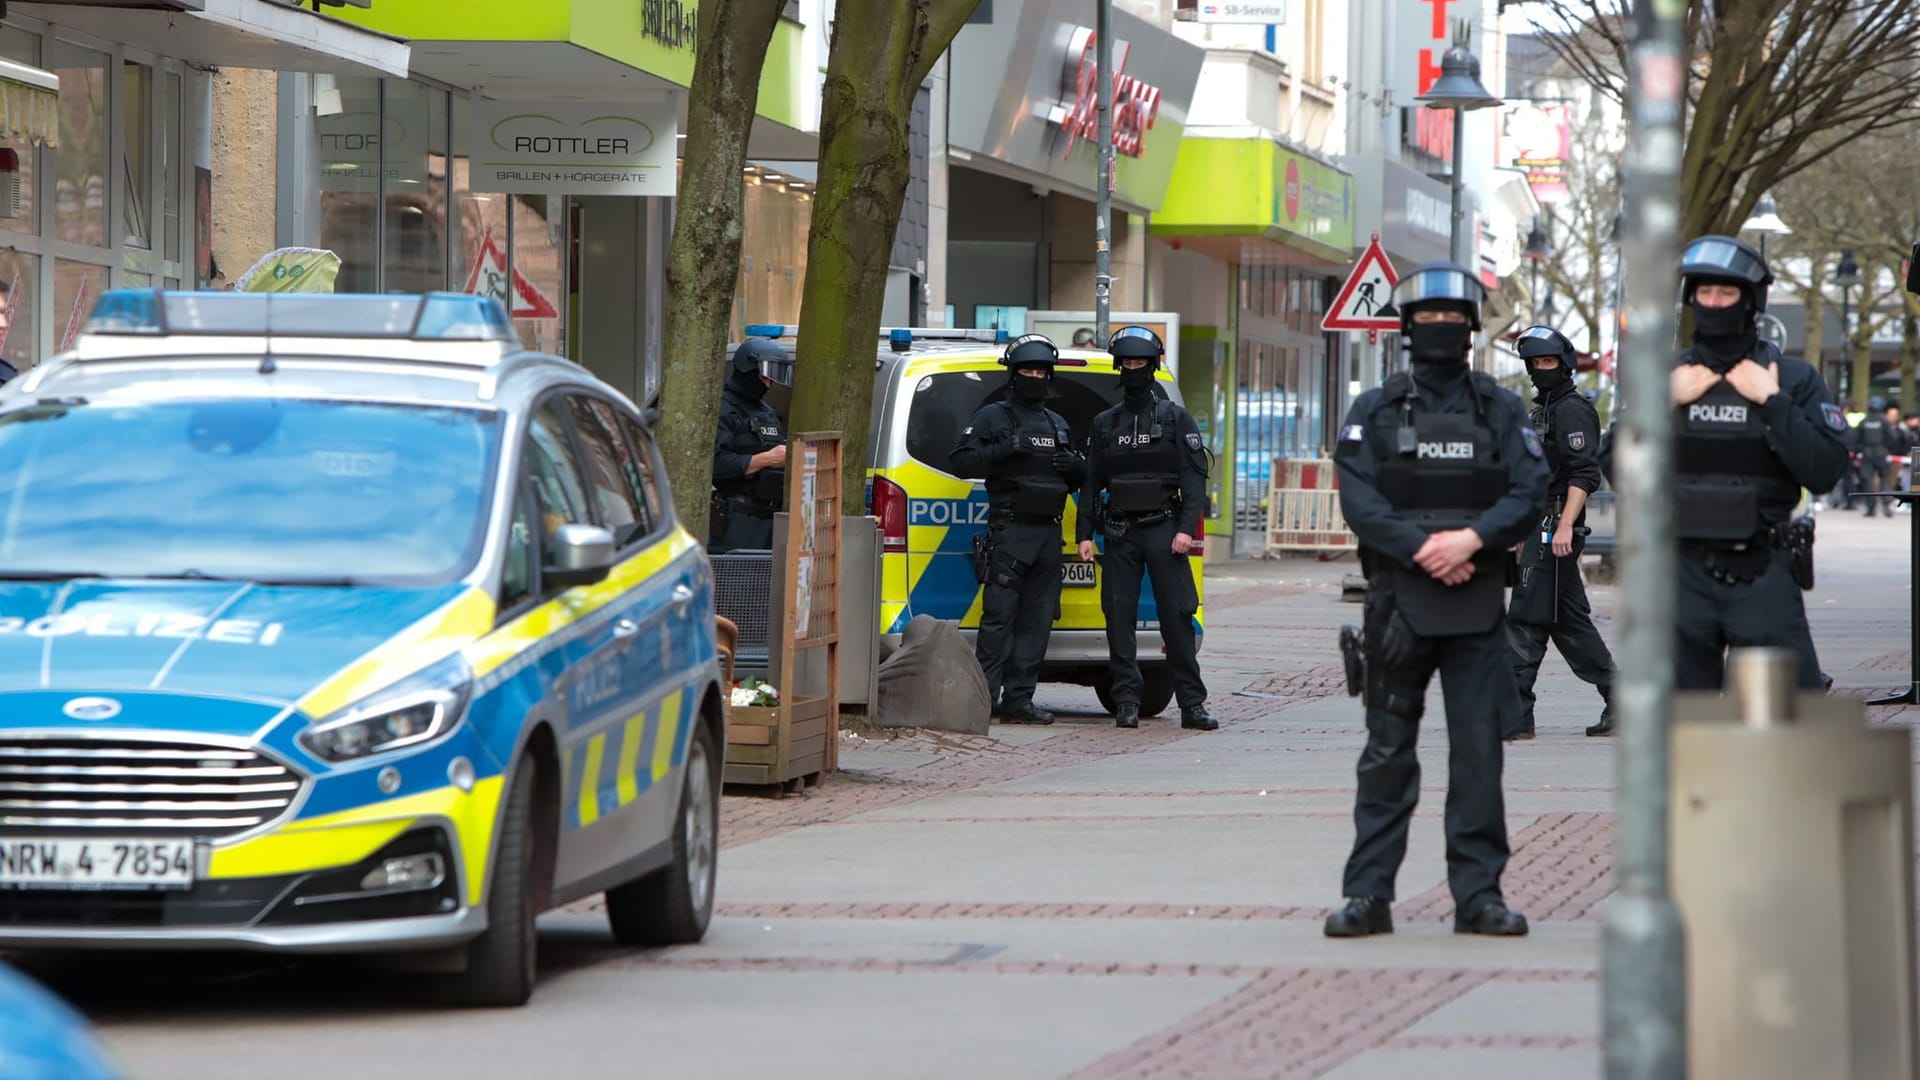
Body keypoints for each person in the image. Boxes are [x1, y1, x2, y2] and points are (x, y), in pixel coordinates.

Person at [1323, 262, 1547, 939]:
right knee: (1387, 754)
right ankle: (1368, 895)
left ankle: (1478, 896)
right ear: (1407, 329)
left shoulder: (1500, 408)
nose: (1440, 329)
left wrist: (1471, 540)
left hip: (1476, 607)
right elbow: (1359, 494)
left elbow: (1529, 487)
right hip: (1398, 603)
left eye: (1453, 319)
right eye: (1428, 319)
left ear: (1472, 330)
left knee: (1479, 757)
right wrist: (1427, 550)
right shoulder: (1378, 408)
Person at [1658, 234, 1846, 690]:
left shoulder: (1793, 379)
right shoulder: (1669, 376)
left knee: (1782, 730)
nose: (1715, 302)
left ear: (1751, 300)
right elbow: (1616, 466)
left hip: (1763, 568)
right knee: (1686, 732)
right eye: (1705, 292)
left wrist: (1773, 401)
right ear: (1691, 297)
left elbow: (1823, 471)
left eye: (1727, 293)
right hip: (1682, 572)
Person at [1076, 326, 1214, 731]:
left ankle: (1192, 704)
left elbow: (1194, 480)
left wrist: (1186, 529)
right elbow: (1091, 484)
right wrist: (1086, 533)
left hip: (1165, 530)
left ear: (1152, 367)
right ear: (1120, 367)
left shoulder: (1175, 419)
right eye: (1128, 364)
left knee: (1177, 616)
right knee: (1118, 617)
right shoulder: (1105, 423)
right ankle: (1126, 701)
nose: (1134, 370)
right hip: (1120, 531)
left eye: (1141, 364)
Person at [950, 334, 1086, 725]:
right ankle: (985, 699)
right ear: (1013, 374)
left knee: (1038, 623)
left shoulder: (1057, 423)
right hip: (1010, 531)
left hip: (1048, 535)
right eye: (1027, 370)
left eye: (1041, 371)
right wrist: (1004, 450)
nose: (1035, 377)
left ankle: (1019, 700)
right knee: (998, 621)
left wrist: (1075, 468)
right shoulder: (994, 416)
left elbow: (1080, 474)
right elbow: (961, 461)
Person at [1504, 325, 1616, 740]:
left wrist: (1565, 524)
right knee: (1567, 620)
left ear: (1565, 363)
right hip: (1541, 524)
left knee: (1526, 617)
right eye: (1534, 363)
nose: (1540, 369)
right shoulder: (1543, 412)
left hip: (1557, 525)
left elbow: (1585, 474)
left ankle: (1515, 715)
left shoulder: (1572, 410)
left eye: (1548, 361)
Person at [709, 337, 795, 554]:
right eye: (764, 375)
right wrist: (766, 459)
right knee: (737, 584)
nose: (769, 384)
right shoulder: (722, 409)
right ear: (748, 368)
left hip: (770, 517)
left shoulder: (767, 411)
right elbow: (715, 465)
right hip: (737, 519)